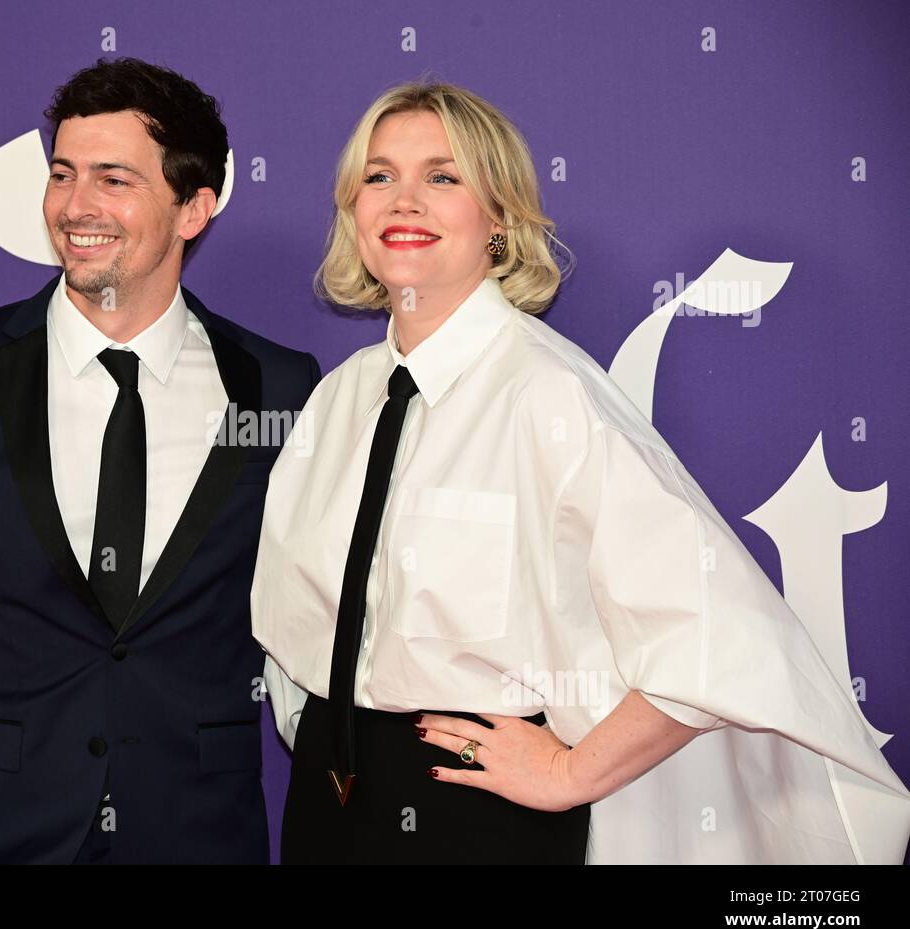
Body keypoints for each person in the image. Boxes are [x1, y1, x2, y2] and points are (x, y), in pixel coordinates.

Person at [251, 78, 910, 863]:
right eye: (379, 176)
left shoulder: (549, 392)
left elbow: (722, 635)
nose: (404, 201)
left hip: (475, 812)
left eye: (443, 176)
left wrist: (570, 771)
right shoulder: (339, 400)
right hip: (326, 808)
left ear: (497, 219)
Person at [0, 57, 321, 864]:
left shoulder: (278, 386)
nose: (76, 206)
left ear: (194, 209)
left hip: (198, 836)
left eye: (114, 179)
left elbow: (311, 618)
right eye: (63, 173)